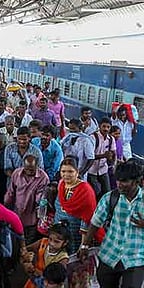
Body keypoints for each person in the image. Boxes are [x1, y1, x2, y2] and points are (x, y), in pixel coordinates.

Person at [80, 160, 144, 288]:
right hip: (109, 255)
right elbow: (95, 223)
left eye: (124, 181)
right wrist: (84, 246)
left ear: (137, 181)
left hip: (136, 258)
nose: (119, 184)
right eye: (118, 180)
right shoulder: (110, 198)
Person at [54, 157, 104, 254]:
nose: (66, 175)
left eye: (70, 171)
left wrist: (83, 245)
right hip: (59, 231)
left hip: (75, 233)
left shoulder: (85, 190)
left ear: (77, 172)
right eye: (63, 171)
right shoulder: (61, 184)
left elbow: (86, 218)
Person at [4, 155, 49, 244]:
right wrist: (6, 208)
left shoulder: (43, 178)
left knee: (28, 243)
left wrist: (40, 215)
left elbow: (40, 200)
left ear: (37, 166)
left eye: (32, 170)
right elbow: (10, 193)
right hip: (16, 214)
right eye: (26, 169)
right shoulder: (16, 174)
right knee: (15, 241)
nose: (29, 172)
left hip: (32, 218)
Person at [21, 222, 70, 288]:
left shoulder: (63, 258)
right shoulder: (43, 242)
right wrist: (25, 256)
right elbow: (27, 249)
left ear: (65, 243)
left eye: (56, 241)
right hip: (35, 279)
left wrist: (34, 270)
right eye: (50, 239)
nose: (51, 243)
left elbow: (55, 279)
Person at [88, 117, 116, 200]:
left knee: (107, 192)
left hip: (103, 169)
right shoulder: (93, 137)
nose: (106, 129)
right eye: (104, 126)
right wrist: (104, 156)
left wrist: (112, 162)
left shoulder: (111, 139)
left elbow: (113, 153)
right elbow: (90, 156)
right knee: (96, 192)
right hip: (92, 170)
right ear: (99, 126)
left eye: (108, 127)